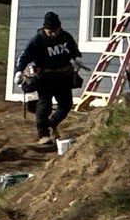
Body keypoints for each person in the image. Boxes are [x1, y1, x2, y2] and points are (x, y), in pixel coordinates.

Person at [15, 11, 83, 145]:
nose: (53, 34)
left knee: (66, 105)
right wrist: (18, 71)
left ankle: (52, 123)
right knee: (44, 106)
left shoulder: (66, 37)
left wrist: (77, 60)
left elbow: (75, 51)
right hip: (45, 77)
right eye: (49, 31)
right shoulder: (37, 40)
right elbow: (24, 57)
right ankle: (43, 134)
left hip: (63, 76)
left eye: (55, 31)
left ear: (59, 28)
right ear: (44, 29)